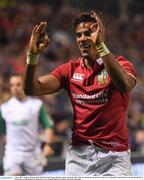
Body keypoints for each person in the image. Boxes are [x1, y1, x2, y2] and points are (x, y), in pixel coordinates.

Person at [23, 11, 136, 176]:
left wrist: (100, 46)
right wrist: (32, 55)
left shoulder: (121, 64)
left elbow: (125, 85)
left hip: (114, 157)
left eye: (88, 33)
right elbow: (31, 88)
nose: (83, 38)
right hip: (79, 155)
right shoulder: (69, 70)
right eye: (79, 35)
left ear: (100, 35)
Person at [0, 74, 55, 175]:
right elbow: (1, 132)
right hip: (12, 154)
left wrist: (48, 145)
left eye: (18, 84)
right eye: (12, 85)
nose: (15, 88)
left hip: (33, 154)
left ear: (24, 85)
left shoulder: (37, 105)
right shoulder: (4, 108)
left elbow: (48, 126)